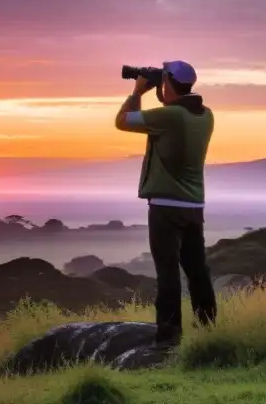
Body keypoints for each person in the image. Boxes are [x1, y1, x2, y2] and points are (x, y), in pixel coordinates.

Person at [114, 60, 217, 347]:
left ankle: (168, 339)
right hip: (194, 206)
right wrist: (160, 88)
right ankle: (209, 330)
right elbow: (173, 106)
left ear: (169, 83)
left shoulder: (170, 116)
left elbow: (122, 121)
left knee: (168, 272)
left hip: (165, 207)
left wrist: (138, 91)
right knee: (197, 271)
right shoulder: (205, 115)